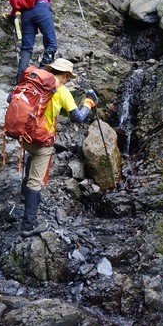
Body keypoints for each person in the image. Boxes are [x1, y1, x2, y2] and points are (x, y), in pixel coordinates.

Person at [20, 58, 97, 237]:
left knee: (30, 158)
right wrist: (88, 103)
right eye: (68, 78)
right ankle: (28, 225)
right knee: (36, 180)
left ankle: (24, 195)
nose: (67, 81)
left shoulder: (33, 82)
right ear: (64, 75)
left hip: (24, 135)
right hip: (41, 140)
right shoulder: (61, 90)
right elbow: (78, 117)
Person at [16, 0, 74, 83]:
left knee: (26, 47)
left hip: (26, 12)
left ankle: (19, 80)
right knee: (52, 44)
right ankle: (40, 76)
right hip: (41, 8)